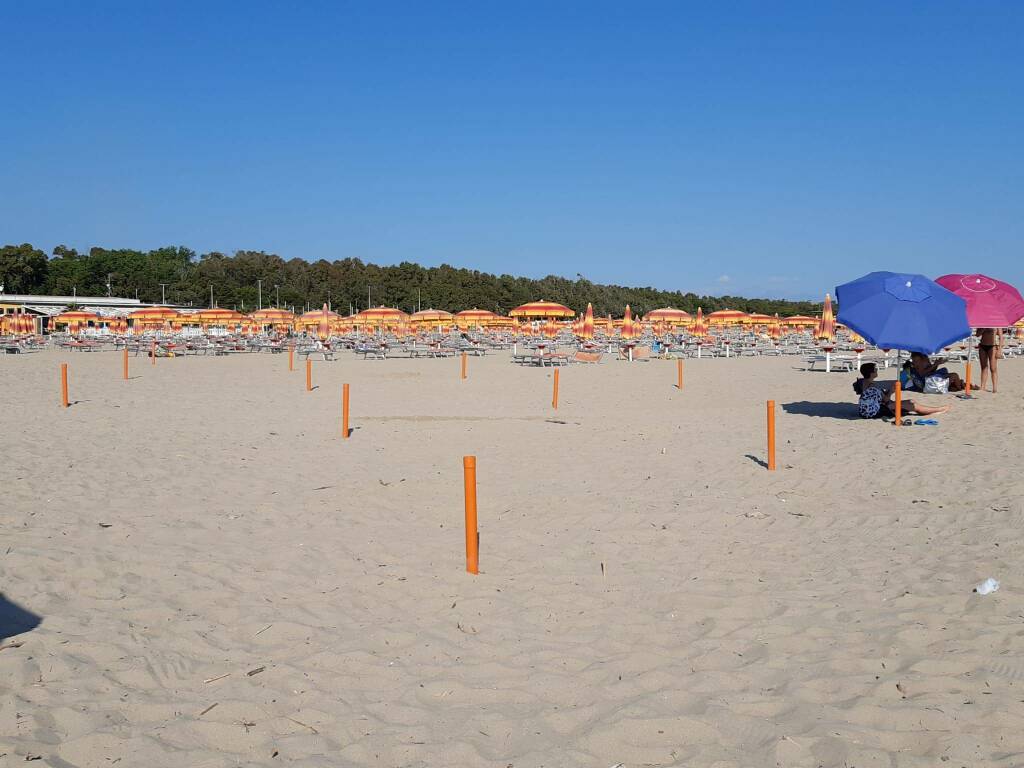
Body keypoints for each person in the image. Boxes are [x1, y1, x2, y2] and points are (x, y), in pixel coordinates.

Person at [853, 362, 952, 419]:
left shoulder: (862, 383)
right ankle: (937, 410)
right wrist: (892, 391)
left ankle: (933, 410)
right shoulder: (872, 386)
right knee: (912, 405)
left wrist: (887, 391)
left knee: (911, 402)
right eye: (875, 370)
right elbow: (886, 400)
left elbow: (876, 398)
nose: (877, 371)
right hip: (875, 411)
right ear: (871, 373)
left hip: (867, 410)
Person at [976, 327, 1003, 393]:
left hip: (993, 346)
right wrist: (983, 329)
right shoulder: (982, 323)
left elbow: (1001, 337)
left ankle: (995, 388)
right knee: (984, 367)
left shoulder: (997, 323)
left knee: (993, 368)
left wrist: (999, 350)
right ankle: (982, 387)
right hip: (982, 346)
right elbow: (977, 334)